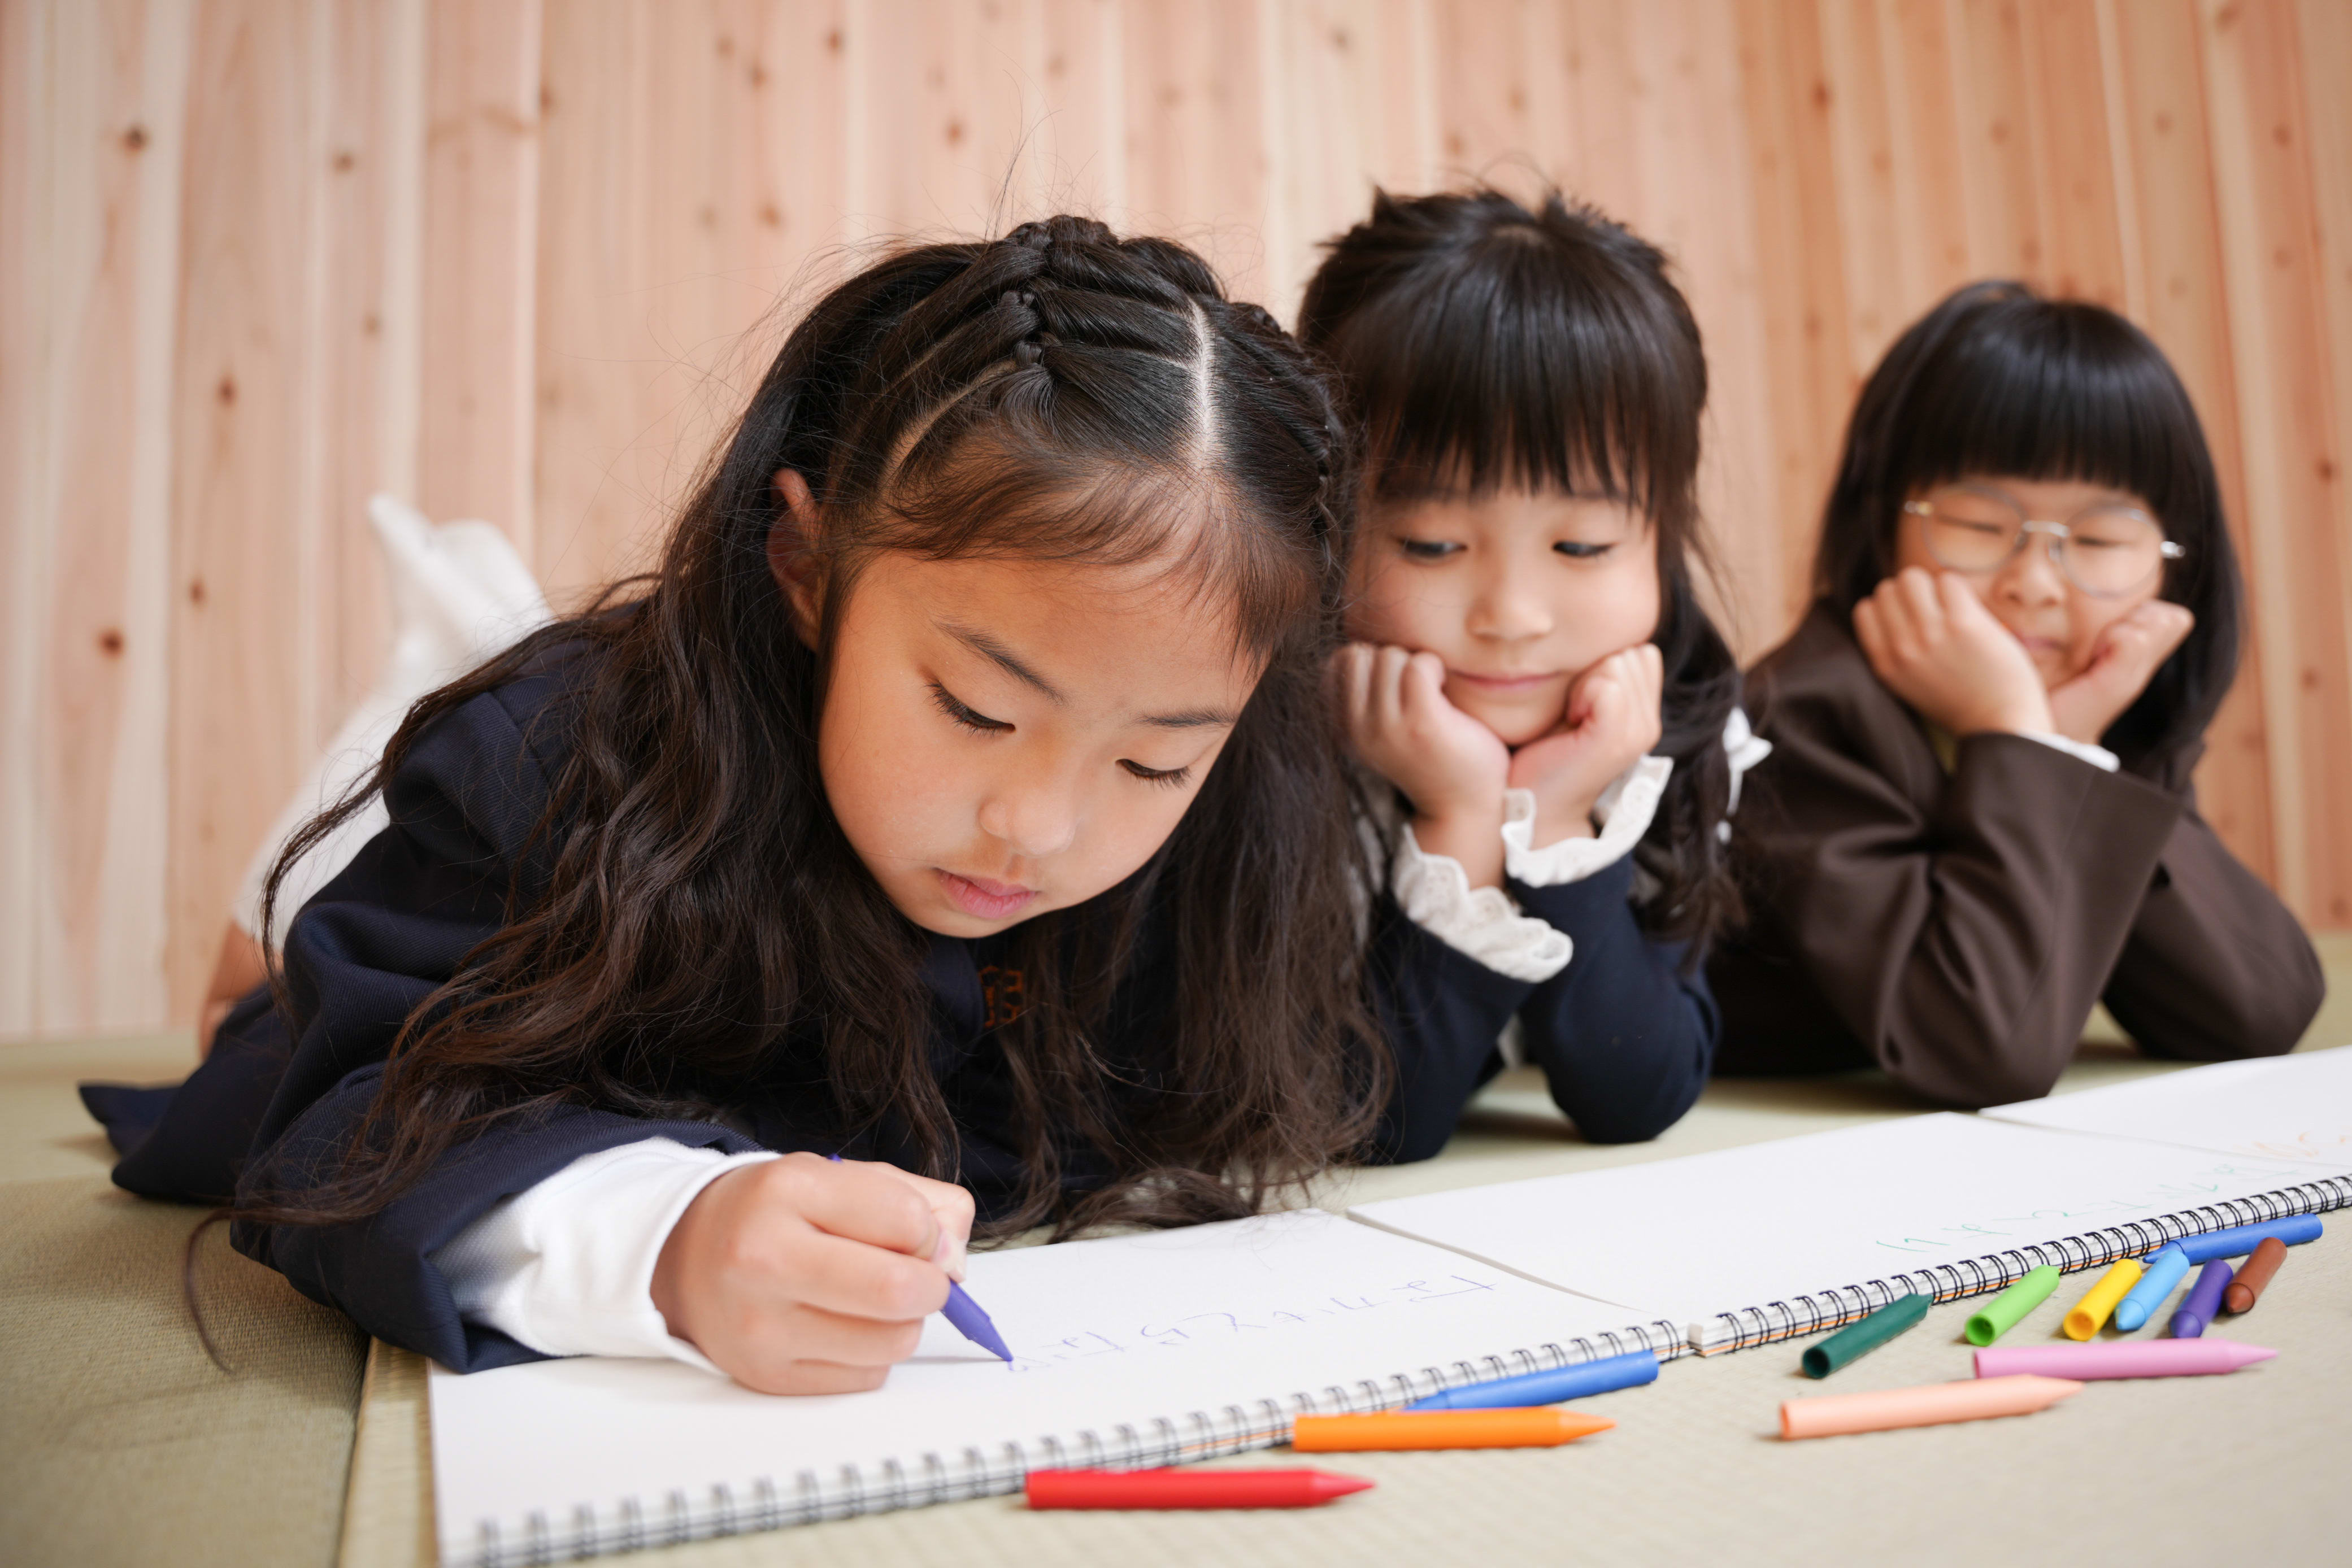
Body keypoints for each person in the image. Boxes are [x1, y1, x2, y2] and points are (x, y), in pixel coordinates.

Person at [89, 219, 1394, 1395]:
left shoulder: (1242, 813)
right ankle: (431, 660)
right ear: (807, 569)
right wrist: (664, 1244)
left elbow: (1310, 1079)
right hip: (460, 913)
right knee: (253, 1014)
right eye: (978, 712)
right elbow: (353, 1116)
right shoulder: (549, 765)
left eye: (1154, 765)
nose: (1039, 827)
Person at [1712, 281, 2323, 1108]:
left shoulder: (2098, 703)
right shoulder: (1805, 715)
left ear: (2174, 566)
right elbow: (1983, 1049)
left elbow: (2258, 1007)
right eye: (1979, 526)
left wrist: (2062, 745)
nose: (2034, 582)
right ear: (1881, 520)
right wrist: (2025, 741)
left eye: (2101, 538)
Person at [1299, 188, 1767, 1160]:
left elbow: (1638, 1094)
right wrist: (1460, 821)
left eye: (1585, 545)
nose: (1511, 616)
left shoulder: (1664, 721)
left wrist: (1558, 817)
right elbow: (1369, 1122)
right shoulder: (1264, 734)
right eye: (1431, 544)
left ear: (1662, 540)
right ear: (1328, 525)